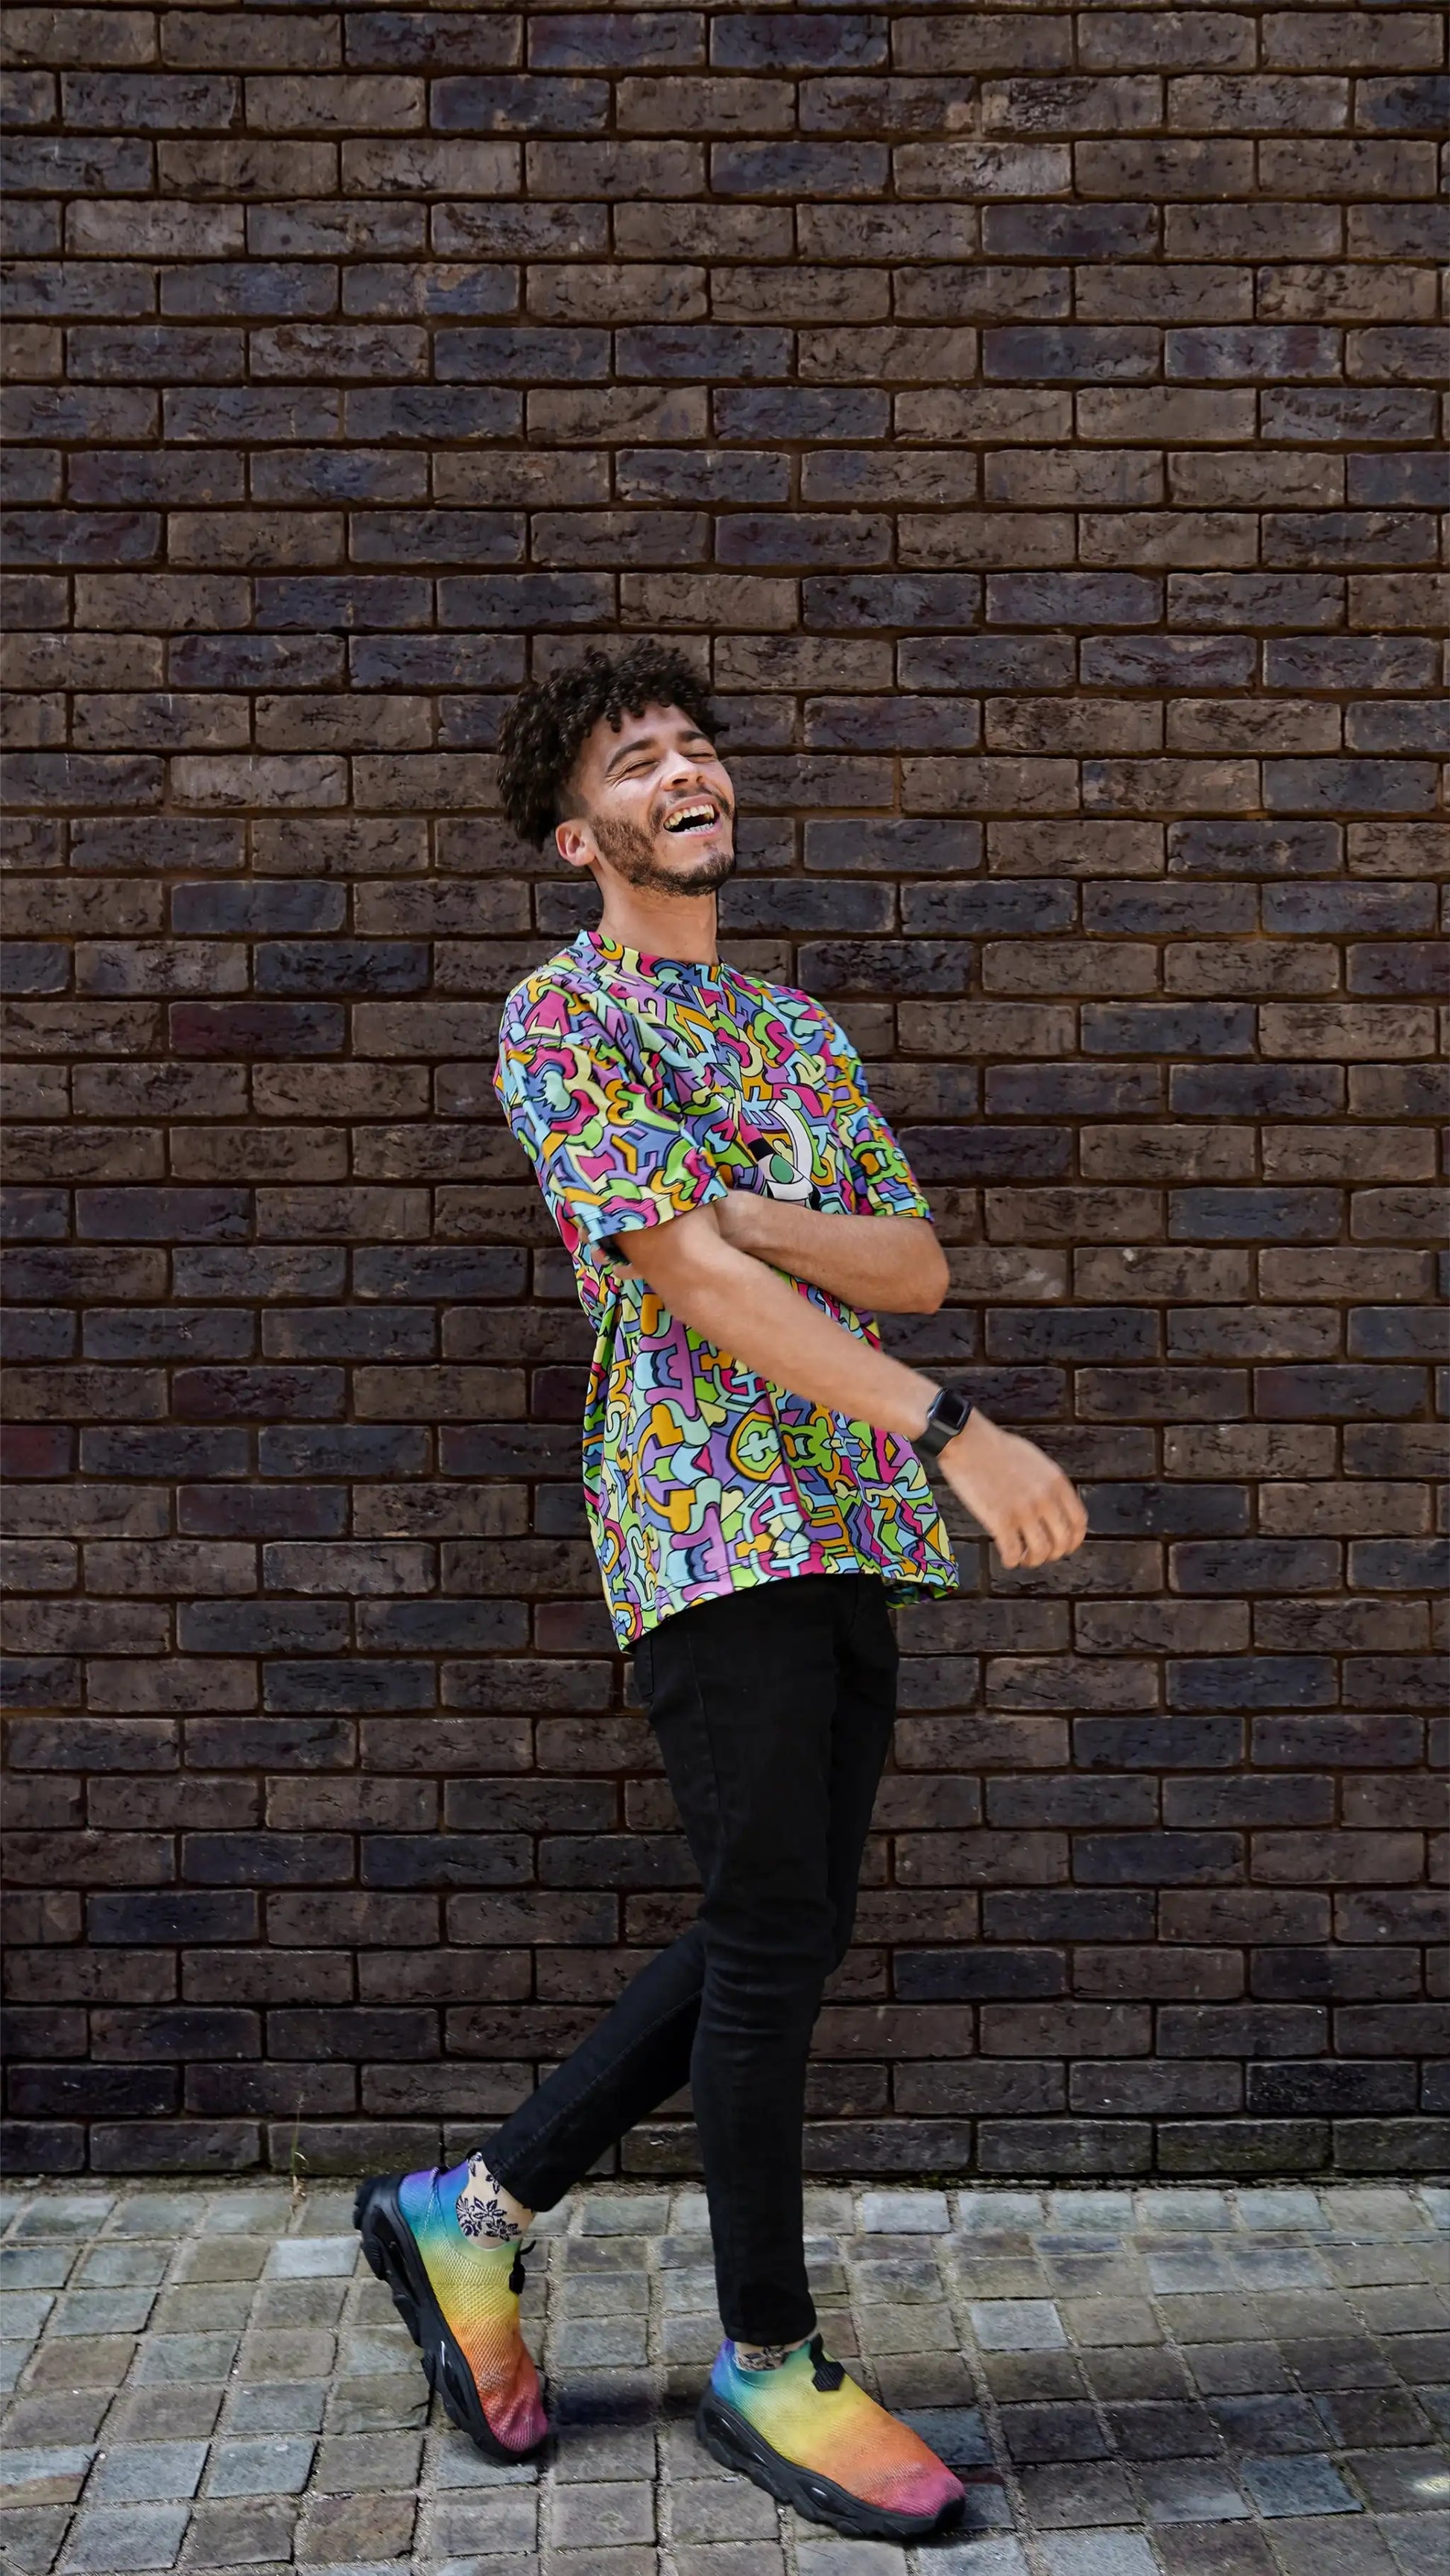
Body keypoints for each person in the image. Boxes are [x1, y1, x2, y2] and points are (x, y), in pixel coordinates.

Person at [355, 641, 1087, 2542]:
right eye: (632, 757)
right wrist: (951, 1429)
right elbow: (685, 1288)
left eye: (695, 744)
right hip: (702, 1521)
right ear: (570, 825)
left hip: (836, 1518)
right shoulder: (558, 1019)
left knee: (785, 1921)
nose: (682, 768)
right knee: (772, 1925)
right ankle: (769, 2358)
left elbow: (907, 1257)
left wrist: (746, 1204)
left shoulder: (796, 1034)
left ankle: (473, 2211)